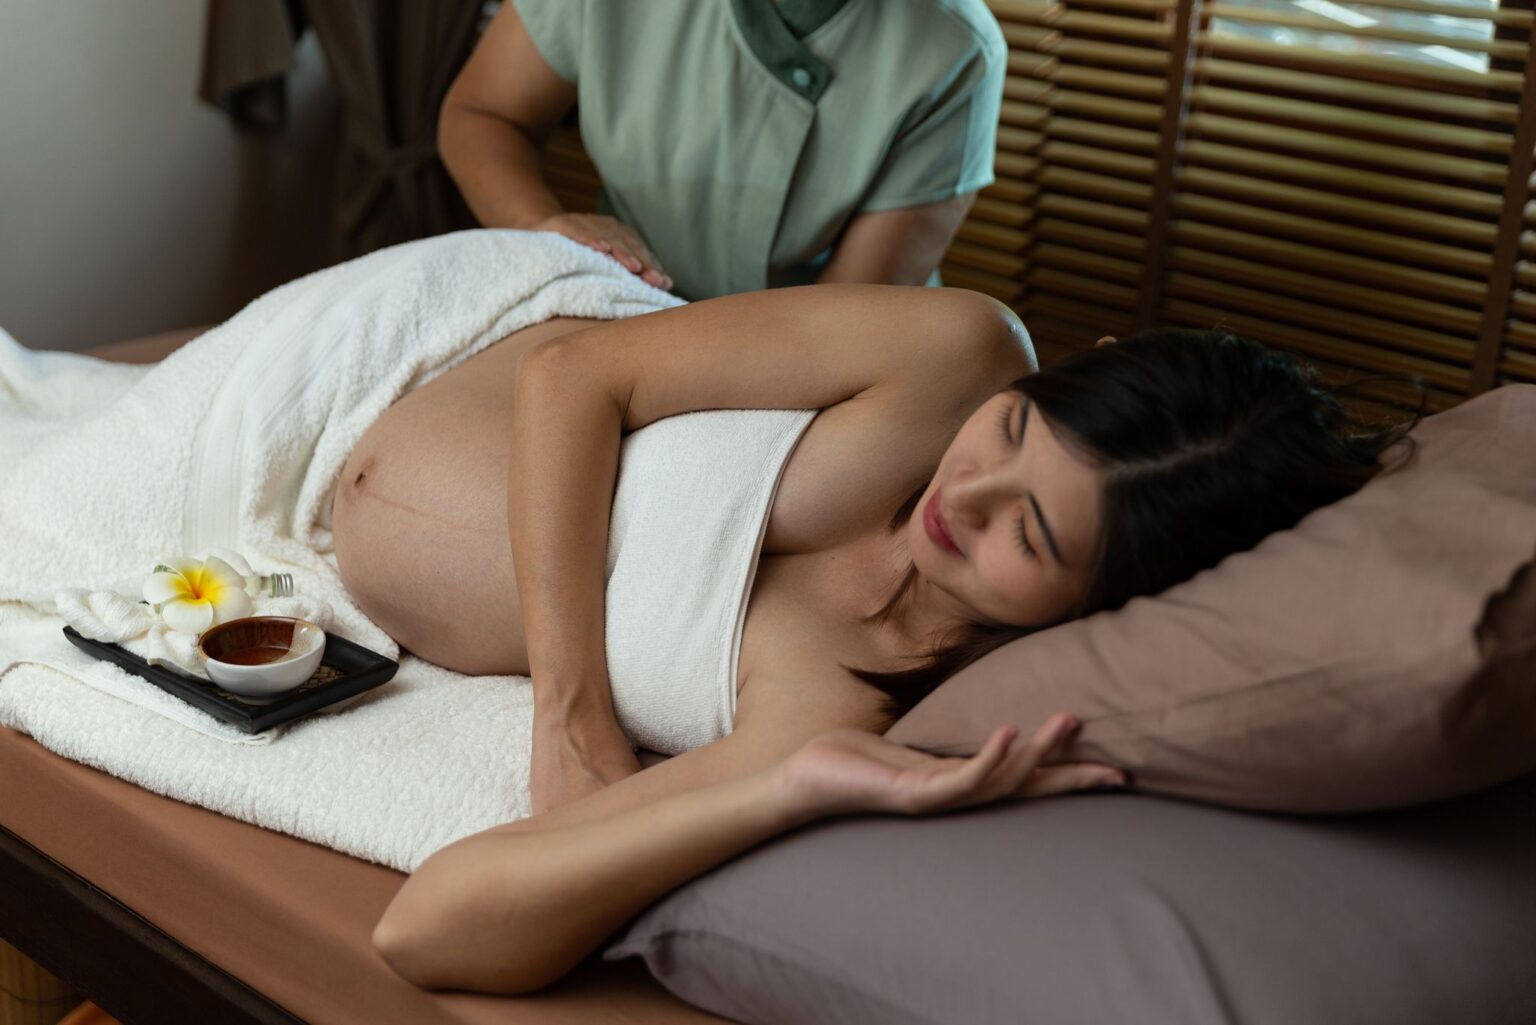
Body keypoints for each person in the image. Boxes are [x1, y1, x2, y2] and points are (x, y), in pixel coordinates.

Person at [313, 282, 1417, 994]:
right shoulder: (955, 353)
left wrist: (793, 786)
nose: (967, 493)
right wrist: (570, 707)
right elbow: (574, 371)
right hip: (419, 331)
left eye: (1025, 534)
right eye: (1019, 426)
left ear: (1101, 599)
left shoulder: (840, 697)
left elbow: (430, 929)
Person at [438, 0, 1006, 298]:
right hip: (615, 295)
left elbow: (841, 325)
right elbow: (483, 115)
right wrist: (542, 226)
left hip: (812, 361)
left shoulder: (955, 50)